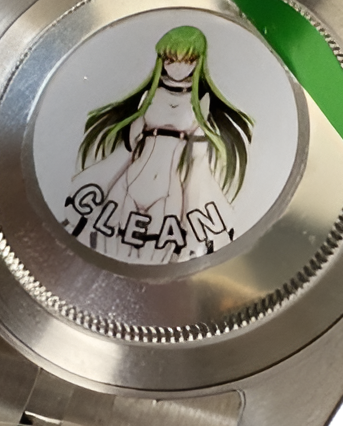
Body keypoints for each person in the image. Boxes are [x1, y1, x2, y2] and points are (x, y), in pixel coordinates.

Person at [64, 25, 253, 263]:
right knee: (113, 245)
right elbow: (130, 145)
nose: (178, 68)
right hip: (130, 181)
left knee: (157, 255)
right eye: (171, 60)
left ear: (198, 62)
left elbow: (198, 156)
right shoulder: (150, 96)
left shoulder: (201, 102)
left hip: (169, 190)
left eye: (188, 60)